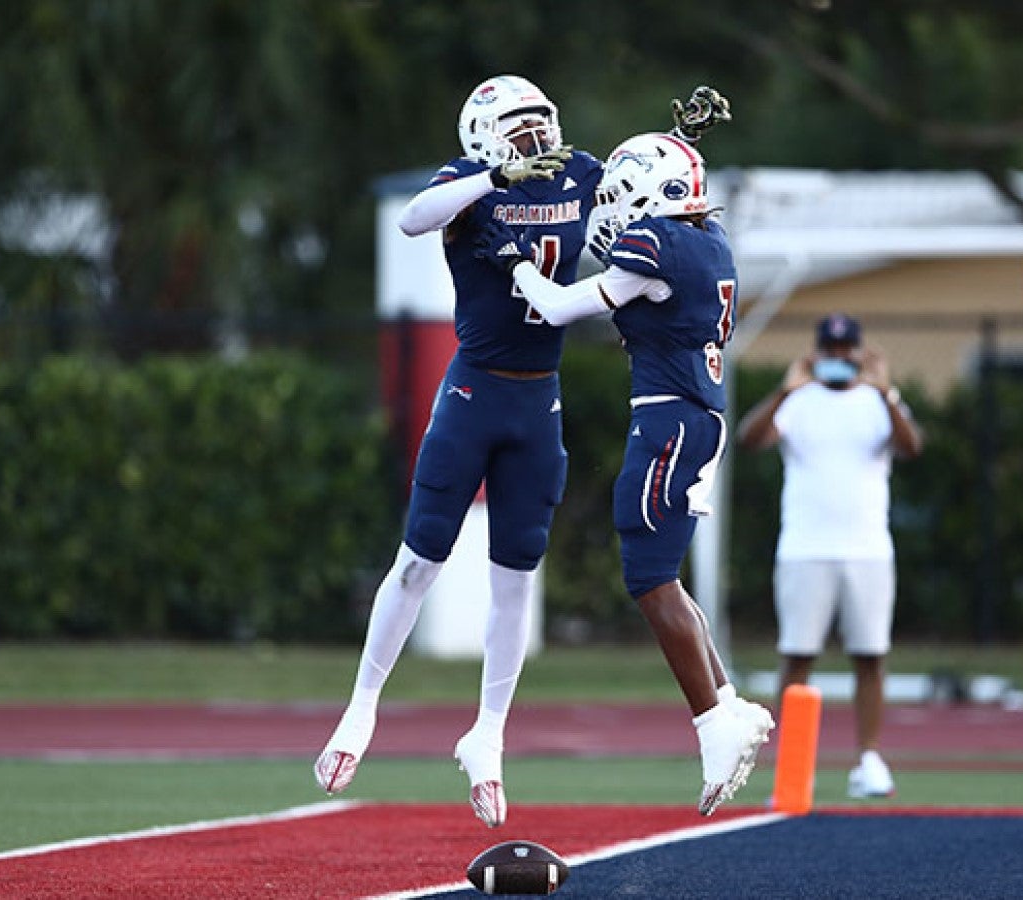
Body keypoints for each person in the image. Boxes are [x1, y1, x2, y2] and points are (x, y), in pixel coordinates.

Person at [314, 75, 733, 828]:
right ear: (481, 134)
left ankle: (489, 737)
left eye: (541, 121)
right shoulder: (466, 182)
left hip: (540, 399)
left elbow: (638, 190)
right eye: (518, 126)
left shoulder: (574, 171)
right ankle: (362, 707)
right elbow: (414, 218)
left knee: (515, 581)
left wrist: (681, 149)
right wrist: (491, 178)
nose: (536, 137)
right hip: (472, 392)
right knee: (419, 561)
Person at [473, 130, 774, 817]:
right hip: (696, 418)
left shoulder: (659, 246)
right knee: (662, 572)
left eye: (619, 193)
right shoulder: (708, 241)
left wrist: (517, 264)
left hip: (670, 419)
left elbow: (557, 307)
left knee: (648, 576)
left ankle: (711, 725)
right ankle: (726, 706)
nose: (613, 209)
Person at [735, 312, 924, 798]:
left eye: (846, 350)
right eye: (831, 350)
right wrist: (785, 390)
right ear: (818, 352)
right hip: (804, 549)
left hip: (867, 550)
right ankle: (796, 767)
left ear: (858, 352)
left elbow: (911, 447)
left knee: (870, 656)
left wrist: (885, 390)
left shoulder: (877, 401)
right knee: (797, 656)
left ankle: (869, 759)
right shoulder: (799, 402)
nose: (839, 358)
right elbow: (750, 439)